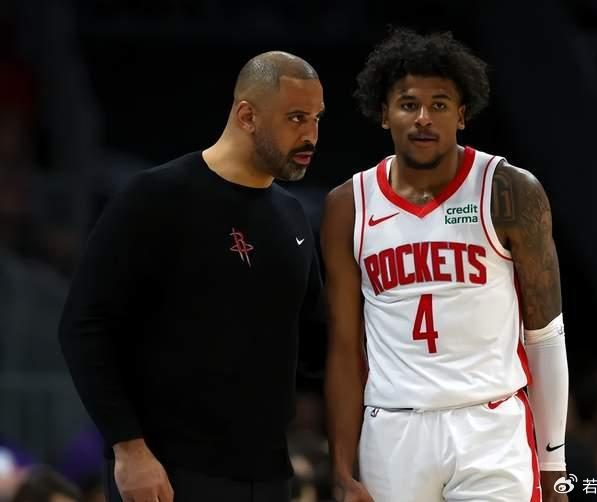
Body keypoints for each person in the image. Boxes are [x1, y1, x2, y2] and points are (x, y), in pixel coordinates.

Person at [59, 51, 325, 502]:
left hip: (267, 474)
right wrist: (128, 448)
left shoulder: (292, 216)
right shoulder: (156, 196)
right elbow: (84, 325)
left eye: (317, 119)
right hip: (166, 470)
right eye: (296, 118)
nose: (311, 135)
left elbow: (317, 344)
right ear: (247, 115)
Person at [322, 29, 569, 502]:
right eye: (408, 104)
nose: (423, 118)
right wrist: (340, 468)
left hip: (489, 425)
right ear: (383, 113)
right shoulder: (348, 206)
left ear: (461, 114)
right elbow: (345, 348)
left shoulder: (509, 191)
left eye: (439, 104)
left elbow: (545, 334)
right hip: (392, 430)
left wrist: (553, 462)